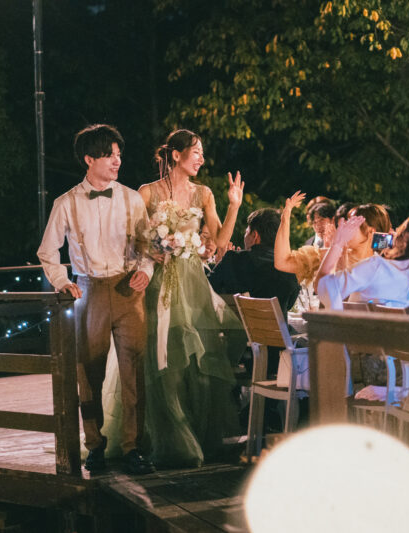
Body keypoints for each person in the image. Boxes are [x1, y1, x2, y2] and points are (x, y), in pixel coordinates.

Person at [37, 124, 155, 475]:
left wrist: (145, 271)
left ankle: (134, 448)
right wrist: (62, 281)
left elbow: (147, 246)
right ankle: (95, 446)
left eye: (118, 155)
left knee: (134, 370)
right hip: (88, 290)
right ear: (89, 159)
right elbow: (47, 251)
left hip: (128, 290)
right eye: (109, 155)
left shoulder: (132, 198)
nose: (117, 161)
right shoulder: (66, 203)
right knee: (88, 372)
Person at [137, 129, 247, 467]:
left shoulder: (204, 194)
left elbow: (222, 243)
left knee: (200, 362)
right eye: (195, 152)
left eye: (201, 152)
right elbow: (134, 238)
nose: (201, 158)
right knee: (167, 363)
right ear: (176, 155)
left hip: (194, 284)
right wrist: (153, 247)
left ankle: (202, 436)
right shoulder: (147, 192)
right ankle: (172, 441)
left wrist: (234, 205)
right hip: (161, 285)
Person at [317, 212, 409, 311]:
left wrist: (337, 244)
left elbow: (324, 287)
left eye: (354, 223)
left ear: (405, 236)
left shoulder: (376, 267)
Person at [208, 208, 301, 316]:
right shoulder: (289, 267)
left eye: (246, 232)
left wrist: (220, 262)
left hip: (237, 325)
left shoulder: (233, 259)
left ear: (255, 235)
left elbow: (208, 288)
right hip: (275, 326)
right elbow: (289, 305)